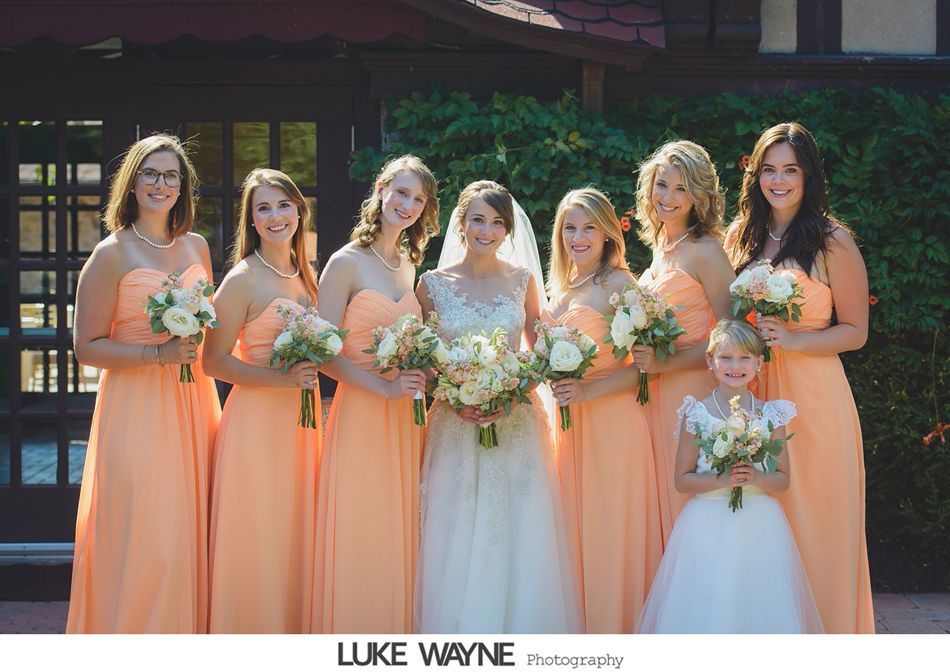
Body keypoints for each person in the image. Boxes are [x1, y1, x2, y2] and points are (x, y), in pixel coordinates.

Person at [66, 134, 220, 633]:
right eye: (150, 174)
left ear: (183, 186)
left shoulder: (196, 245)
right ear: (132, 184)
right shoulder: (111, 253)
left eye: (171, 175)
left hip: (193, 399)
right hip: (136, 406)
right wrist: (156, 352)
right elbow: (86, 347)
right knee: (150, 535)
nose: (161, 184)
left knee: (189, 527)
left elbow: (209, 324)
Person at [725, 122, 874, 633]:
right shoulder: (739, 235)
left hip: (814, 398)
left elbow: (855, 331)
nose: (779, 180)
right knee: (758, 520)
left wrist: (794, 341)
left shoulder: (834, 242)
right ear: (756, 175)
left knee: (816, 521)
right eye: (769, 169)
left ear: (808, 175)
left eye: (790, 169)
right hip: (753, 393)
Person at [414, 180, 581, 634]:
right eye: (478, 220)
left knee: (519, 531)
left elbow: (539, 349)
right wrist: (453, 395)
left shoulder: (521, 281)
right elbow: (423, 361)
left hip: (515, 424)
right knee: (457, 531)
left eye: (497, 223)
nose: (486, 230)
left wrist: (510, 388)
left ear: (508, 230)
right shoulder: (431, 285)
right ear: (462, 222)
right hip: (455, 424)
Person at [311, 155, 439, 633]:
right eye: (401, 193)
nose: (407, 205)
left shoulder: (409, 264)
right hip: (364, 410)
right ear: (382, 189)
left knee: (401, 527)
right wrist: (383, 387)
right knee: (362, 524)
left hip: (407, 416)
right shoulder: (345, 263)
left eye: (418, 199)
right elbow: (324, 353)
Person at [637, 319, 822, 634]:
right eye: (726, 357)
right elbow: (682, 480)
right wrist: (722, 481)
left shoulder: (771, 414)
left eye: (744, 358)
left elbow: (782, 480)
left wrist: (753, 476)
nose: (735, 366)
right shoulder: (697, 414)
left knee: (759, 598)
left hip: (760, 521)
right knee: (709, 597)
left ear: (759, 363)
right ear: (710, 361)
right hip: (706, 521)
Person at [203, 169, 321, 632]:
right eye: (263, 208)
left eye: (283, 205)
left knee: (293, 536)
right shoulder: (242, 280)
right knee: (258, 536)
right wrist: (281, 379)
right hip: (255, 426)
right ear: (251, 221)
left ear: (298, 211)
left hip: (301, 426)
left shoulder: (306, 274)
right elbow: (212, 362)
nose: (275, 216)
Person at [542, 188, 662, 633]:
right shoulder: (561, 287)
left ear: (608, 232)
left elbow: (646, 371)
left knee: (610, 535)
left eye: (589, 227)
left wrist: (587, 394)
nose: (579, 236)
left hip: (612, 425)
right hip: (569, 429)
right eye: (570, 227)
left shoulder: (621, 285)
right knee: (576, 537)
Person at [632, 140, 735, 544]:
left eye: (681, 189)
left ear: (699, 195)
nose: (668, 198)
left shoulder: (706, 250)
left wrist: (664, 365)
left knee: (690, 504)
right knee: (664, 498)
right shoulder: (661, 247)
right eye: (662, 185)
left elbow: (731, 337)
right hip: (656, 394)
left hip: (693, 390)